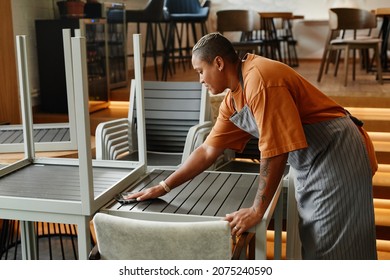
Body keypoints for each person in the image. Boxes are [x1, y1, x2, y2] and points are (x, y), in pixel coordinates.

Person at [128, 32, 378, 260]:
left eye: (200, 71)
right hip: (310, 162)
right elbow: (207, 151)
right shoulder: (232, 99)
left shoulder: (259, 80)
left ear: (218, 63)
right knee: (316, 243)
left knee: (336, 250)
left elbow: (276, 150)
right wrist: (163, 186)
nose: (199, 80)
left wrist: (258, 209)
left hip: (336, 152)